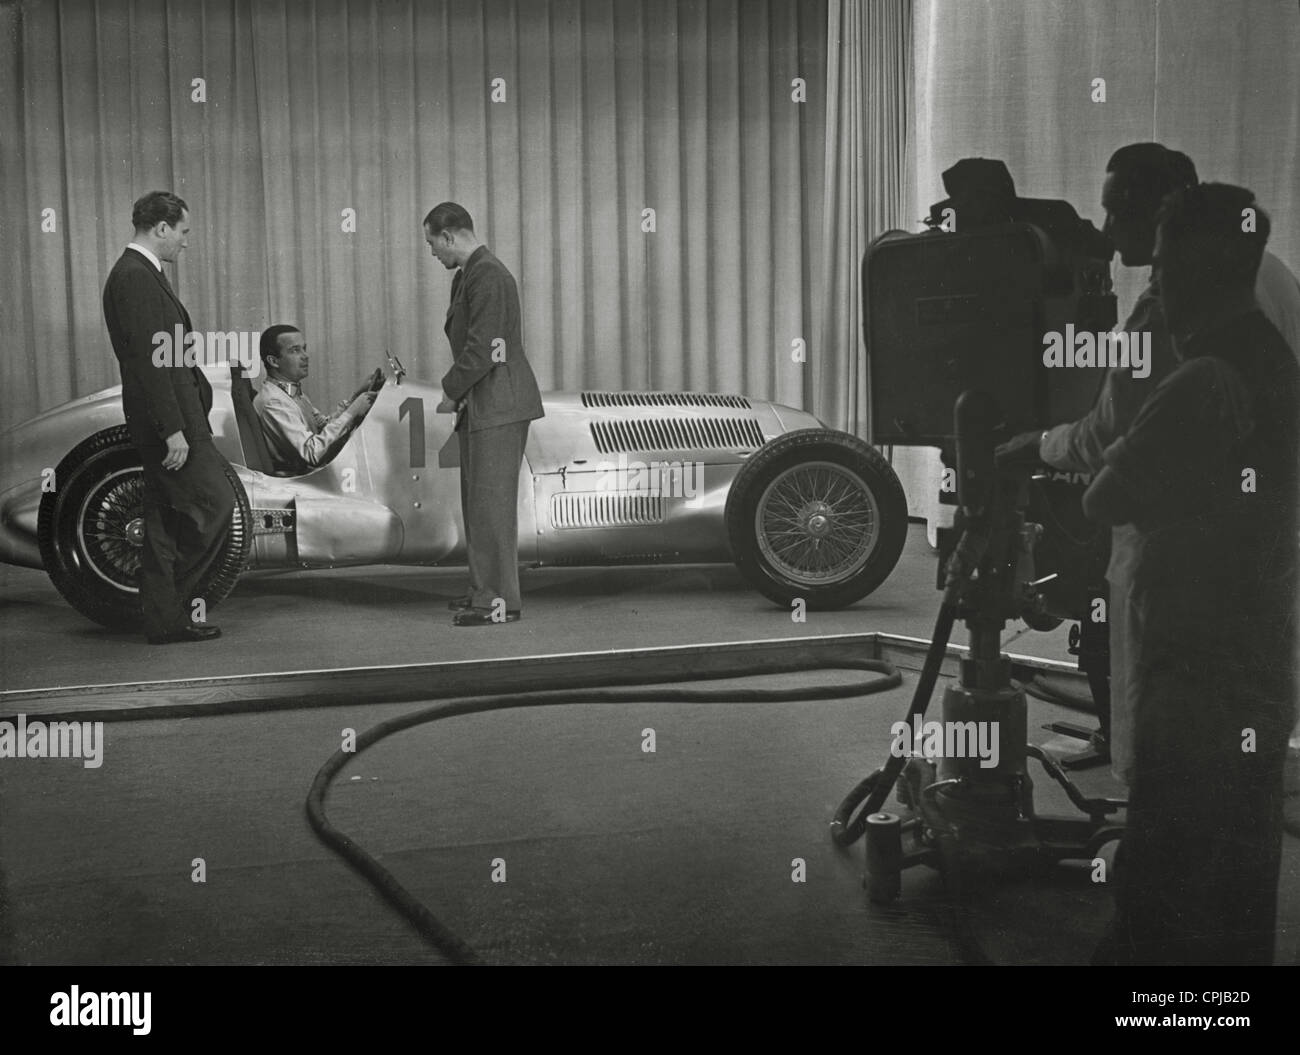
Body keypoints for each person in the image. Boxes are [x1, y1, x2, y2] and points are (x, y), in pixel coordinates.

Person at [997, 143, 1300, 785]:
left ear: (1166, 222)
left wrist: (1037, 444)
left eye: (1116, 213)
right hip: (1265, 566)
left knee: (1167, 769)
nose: (1105, 231)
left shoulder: (1176, 321)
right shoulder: (1270, 276)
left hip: (1180, 586)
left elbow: (1108, 448)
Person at [1083, 183, 1298, 964]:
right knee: (1236, 869)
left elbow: (1105, 499)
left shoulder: (1203, 379)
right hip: (1258, 657)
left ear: (1197, 273)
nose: (1157, 285)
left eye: (1165, 268)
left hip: (1196, 667)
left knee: (1165, 876)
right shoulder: (1274, 360)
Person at [102, 191, 233, 645]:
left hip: (172, 418)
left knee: (166, 521)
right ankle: (167, 604)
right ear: (161, 229)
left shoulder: (139, 274)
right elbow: (149, 363)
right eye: (183, 231)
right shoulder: (136, 278)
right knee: (217, 505)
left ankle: (163, 618)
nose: (185, 242)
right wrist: (173, 429)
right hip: (171, 425)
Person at [423, 202, 543, 627]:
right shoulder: (469, 274)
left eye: (433, 243)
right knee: (479, 505)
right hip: (485, 401)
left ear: (450, 235)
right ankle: (482, 590)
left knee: (491, 507)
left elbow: (486, 349)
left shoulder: (488, 274)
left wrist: (450, 390)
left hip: (498, 402)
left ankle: (497, 603)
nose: (433, 253)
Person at [253, 324, 380, 476]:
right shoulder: (274, 401)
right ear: (274, 361)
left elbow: (324, 426)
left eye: (304, 348)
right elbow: (312, 453)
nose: (305, 356)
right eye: (295, 350)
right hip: (301, 484)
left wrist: (355, 397)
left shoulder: (292, 394)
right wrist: (352, 413)